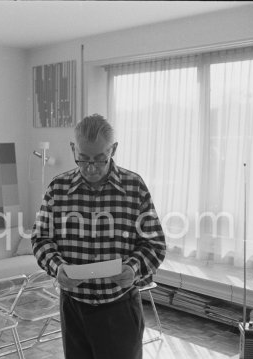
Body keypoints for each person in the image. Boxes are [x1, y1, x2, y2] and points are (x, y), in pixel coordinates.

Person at [31, 114, 166, 359]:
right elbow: (41, 239)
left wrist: (134, 269)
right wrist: (57, 267)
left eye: (100, 160)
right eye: (83, 160)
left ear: (113, 149)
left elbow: (155, 244)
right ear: (74, 149)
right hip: (74, 308)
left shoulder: (134, 187)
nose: (91, 168)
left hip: (120, 308)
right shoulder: (58, 188)